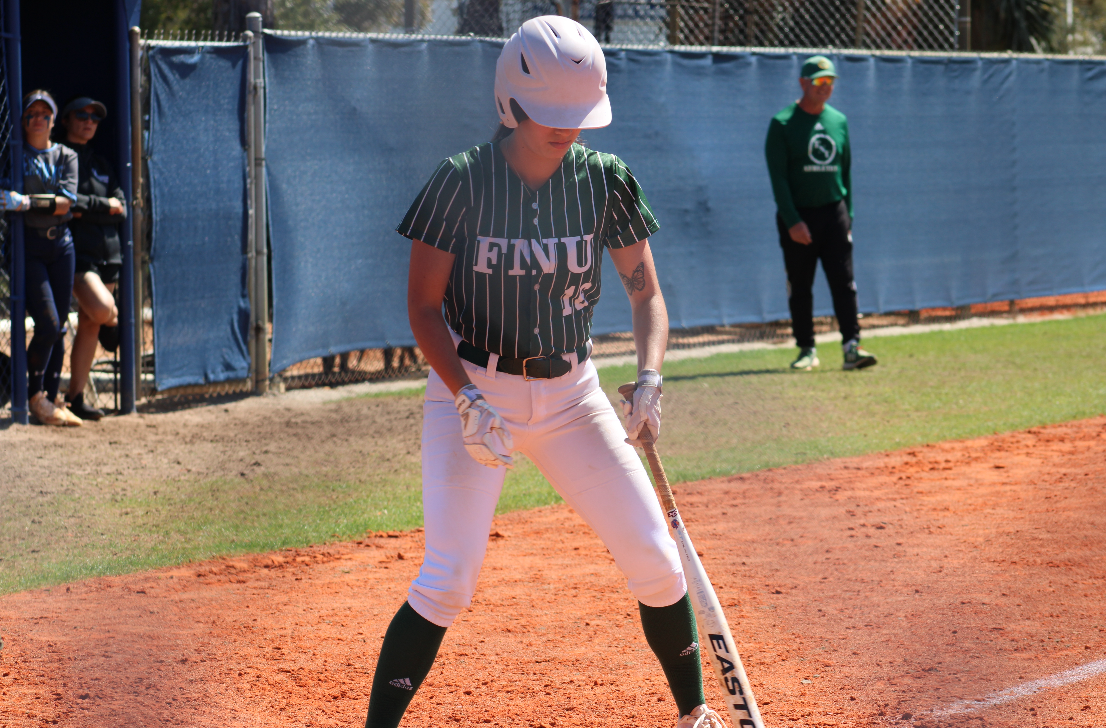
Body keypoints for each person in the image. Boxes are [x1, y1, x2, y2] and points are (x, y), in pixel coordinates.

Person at [363, 16, 726, 728]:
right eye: (552, 115)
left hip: (573, 398)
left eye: (579, 116)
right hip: (476, 393)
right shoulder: (461, 182)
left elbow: (647, 294)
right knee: (448, 579)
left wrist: (651, 377)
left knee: (657, 563)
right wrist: (466, 396)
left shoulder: (606, 181)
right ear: (511, 103)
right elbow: (424, 308)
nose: (567, 130)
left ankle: (695, 716)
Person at [765, 56, 877, 371]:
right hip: (799, 218)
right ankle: (806, 349)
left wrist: (848, 217)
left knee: (845, 282)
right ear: (803, 83)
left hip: (835, 214)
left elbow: (847, 171)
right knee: (800, 285)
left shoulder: (838, 121)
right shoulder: (783, 124)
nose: (825, 87)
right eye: (818, 82)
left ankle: (852, 347)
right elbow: (779, 179)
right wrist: (792, 221)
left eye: (830, 82)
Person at [0, 90, 83, 426]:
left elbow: (66, 203)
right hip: (29, 247)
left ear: (52, 120)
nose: (38, 119)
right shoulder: (14, 155)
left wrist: (29, 202)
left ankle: (49, 400)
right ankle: (36, 396)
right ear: (23, 120)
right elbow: (7, 194)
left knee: (59, 327)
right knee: (48, 323)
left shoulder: (66, 155)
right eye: (31, 113)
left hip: (61, 245)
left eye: (44, 114)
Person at [59, 96, 126, 421]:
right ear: (67, 120)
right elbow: (71, 204)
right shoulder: (61, 157)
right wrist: (103, 207)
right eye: (82, 115)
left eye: (95, 118)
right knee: (102, 310)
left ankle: (76, 398)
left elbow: (122, 205)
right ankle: (118, 322)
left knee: (89, 323)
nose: (89, 122)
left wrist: (93, 209)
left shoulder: (101, 161)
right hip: (80, 255)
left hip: (110, 253)